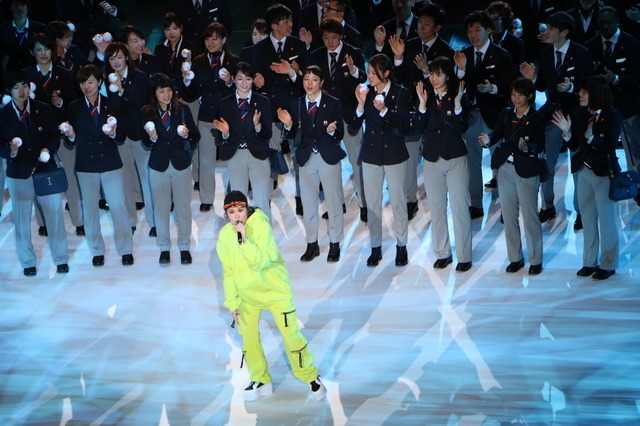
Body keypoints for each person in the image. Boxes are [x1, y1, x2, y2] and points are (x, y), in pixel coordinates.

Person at [216, 190, 326, 402]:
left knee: (291, 336)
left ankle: (310, 376)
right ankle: (260, 378)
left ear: (247, 209)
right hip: (247, 297)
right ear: (226, 214)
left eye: (240, 210)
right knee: (248, 339)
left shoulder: (260, 226)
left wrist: (244, 239)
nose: (237, 215)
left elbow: (261, 261)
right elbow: (228, 273)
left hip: (275, 292)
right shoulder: (225, 236)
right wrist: (233, 302)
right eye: (231, 212)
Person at [520, 11, 594, 226]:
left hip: (577, 114)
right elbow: (543, 85)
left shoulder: (582, 53)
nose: (547, 31)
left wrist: (572, 88)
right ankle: (548, 205)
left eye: (551, 28)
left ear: (564, 31)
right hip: (553, 113)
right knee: (547, 161)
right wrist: (532, 77)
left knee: (578, 162)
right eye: (546, 27)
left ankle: (582, 211)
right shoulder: (544, 54)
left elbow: (590, 85)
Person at [60, 64, 133, 267]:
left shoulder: (112, 103)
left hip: (110, 162)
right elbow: (70, 140)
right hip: (86, 165)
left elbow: (122, 135)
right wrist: (71, 136)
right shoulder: (74, 107)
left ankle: (126, 249)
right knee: (90, 208)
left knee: (118, 206)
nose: (87, 86)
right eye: (83, 83)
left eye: (90, 81)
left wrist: (114, 133)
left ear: (99, 82)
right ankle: (97, 250)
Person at [551, 76, 621, 280]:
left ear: (596, 94)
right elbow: (574, 146)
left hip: (603, 173)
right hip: (583, 171)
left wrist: (592, 138)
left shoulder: (612, 115)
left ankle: (608, 264)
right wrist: (567, 133)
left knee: (607, 221)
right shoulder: (581, 114)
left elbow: (609, 145)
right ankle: (590, 262)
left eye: (584, 91)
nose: (579, 95)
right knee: (587, 219)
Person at [0, 70, 69, 276]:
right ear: (8, 91)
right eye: (16, 87)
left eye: (23, 85)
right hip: (18, 173)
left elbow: (54, 136)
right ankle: (28, 261)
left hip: (44, 170)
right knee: (21, 220)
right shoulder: (3, 116)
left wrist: (48, 149)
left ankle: (61, 258)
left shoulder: (43, 108)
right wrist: (9, 151)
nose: (21, 91)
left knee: (54, 216)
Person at [279, 65, 346, 262]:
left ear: (321, 82)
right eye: (306, 79)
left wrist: (333, 131)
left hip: (328, 157)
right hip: (306, 158)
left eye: (314, 79)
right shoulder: (297, 103)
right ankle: (312, 244)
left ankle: (335, 244)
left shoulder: (333, 103)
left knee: (333, 203)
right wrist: (289, 124)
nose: (309, 83)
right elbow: (292, 135)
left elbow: (340, 132)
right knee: (308, 203)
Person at [478, 77, 545, 275]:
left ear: (530, 96)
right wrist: (488, 140)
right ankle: (515, 258)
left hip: (527, 170)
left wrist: (528, 147)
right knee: (508, 216)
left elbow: (540, 145)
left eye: (520, 95)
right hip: (505, 169)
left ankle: (536, 259)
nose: (515, 98)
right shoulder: (506, 113)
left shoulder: (537, 117)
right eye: (513, 94)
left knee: (531, 217)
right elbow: (497, 133)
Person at [413, 56, 472, 272]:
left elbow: (462, 127)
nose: (434, 78)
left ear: (448, 75)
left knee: (459, 208)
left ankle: (465, 256)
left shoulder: (459, 95)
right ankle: (443, 253)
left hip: (455, 157)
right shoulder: (425, 96)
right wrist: (420, 105)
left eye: (438, 74)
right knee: (437, 209)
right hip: (431, 159)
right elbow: (418, 128)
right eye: (432, 73)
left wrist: (457, 106)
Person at [351, 53, 410, 267]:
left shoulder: (401, 93)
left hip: (394, 155)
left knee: (398, 202)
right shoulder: (365, 93)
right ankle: (375, 247)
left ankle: (401, 246)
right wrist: (359, 105)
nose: (370, 76)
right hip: (371, 156)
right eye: (368, 72)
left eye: (374, 73)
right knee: (373, 204)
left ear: (385, 73)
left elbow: (404, 125)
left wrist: (384, 110)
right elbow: (353, 126)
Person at [455, 10, 513, 219]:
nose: (473, 35)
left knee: (500, 162)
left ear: (488, 30)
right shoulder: (464, 54)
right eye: (469, 31)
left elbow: (509, 87)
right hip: (472, 115)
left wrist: (493, 89)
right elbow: (458, 85)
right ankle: (476, 204)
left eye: (477, 29)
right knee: (472, 163)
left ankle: (507, 206)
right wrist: (461, 70)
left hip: (495, 115)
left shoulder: (501, 55)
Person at [141, 73, 200, 265]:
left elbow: (196, 135)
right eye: (161, 91)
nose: (166, 95)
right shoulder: (147, 112)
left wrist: (186, 134)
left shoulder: (182, 109)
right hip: (158, 166)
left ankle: (184, 246)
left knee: (183, 207)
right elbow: (144, 142)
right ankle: (164, 247)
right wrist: (152, 136)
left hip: (181, 164)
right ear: (154, 94)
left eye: (168, 90)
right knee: (161, 208)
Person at [183, 22, 236, 212]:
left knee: (234, 158)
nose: (210, 42)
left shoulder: (234, 61)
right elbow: (192, 92)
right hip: (206, 117)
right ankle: (206, 198)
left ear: (223, 40)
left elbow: (242, 89)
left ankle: (234, 195)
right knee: (206, 159)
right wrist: (187, 81)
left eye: (215, 38)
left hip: (229, 119)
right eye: (207, 38)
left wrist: (230, 81)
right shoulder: (197, 62)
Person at [104, 42, 154, 236]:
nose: (116, 61)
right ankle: (131, 220)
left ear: (126, 56)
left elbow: (141, 104)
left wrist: (122, 91)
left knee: (147, 180)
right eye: (111, 58)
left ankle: (154, 222)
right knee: (125, 181)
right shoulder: (106, 83)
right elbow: (110, 109)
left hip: (140, 135)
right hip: (120, 137)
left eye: (119, 57)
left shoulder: (140, 77)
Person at [213, 62, 272, 218]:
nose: (244, 83)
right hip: (235, 154)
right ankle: (241, 240)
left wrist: (257, 125)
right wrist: (225, 133)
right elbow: (220, 136)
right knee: (238, 204)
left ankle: (264, 240)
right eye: (240, 79)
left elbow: (268, 134)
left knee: (261, 201)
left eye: (248, 79)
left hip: (258, 154)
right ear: (233, 79)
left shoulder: (263, 101)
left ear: (253, 80)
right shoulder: (224, 103)